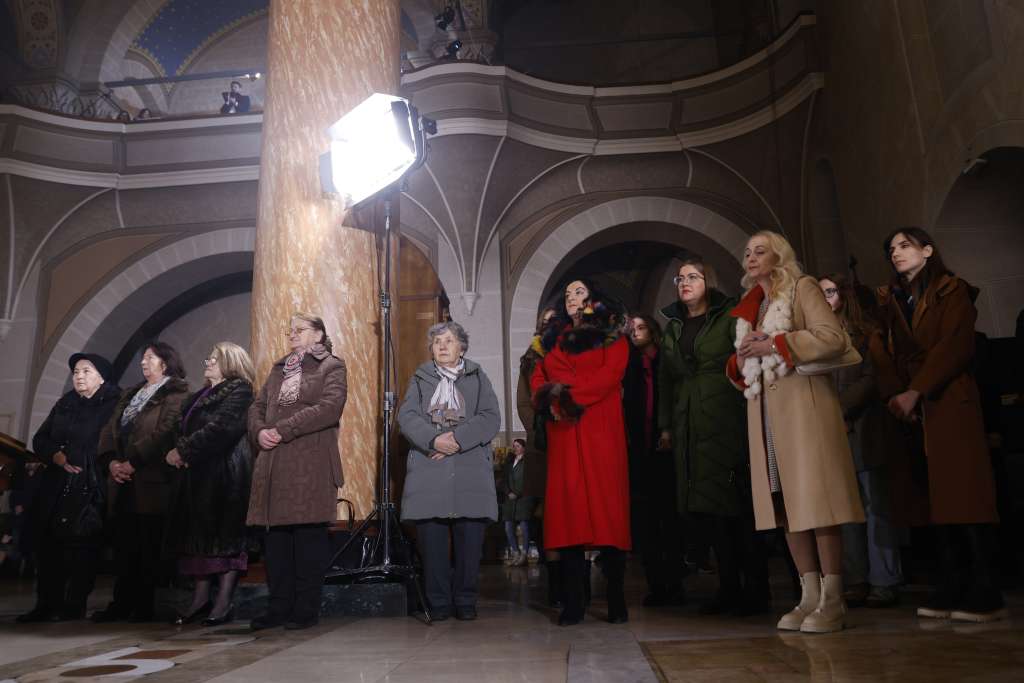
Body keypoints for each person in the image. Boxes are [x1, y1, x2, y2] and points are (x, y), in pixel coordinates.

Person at [726, 231, 864, 633]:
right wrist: (742, 357)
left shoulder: (802, 287)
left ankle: (833, 597)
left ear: (779, 256)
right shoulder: (752, 305)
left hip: (805, 410)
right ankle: (808, 595)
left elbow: (833, 338)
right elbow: (746, 361)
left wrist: (775, 344)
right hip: (767, 414)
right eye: (747, 252)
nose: (751, 257)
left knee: (818, 501)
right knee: (784, 503)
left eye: (760, 251)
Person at [872, 227, 1005, 622]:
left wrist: (917, 390)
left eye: (905, 245)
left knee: (965, 495)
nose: (896, 253)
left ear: (927, 250)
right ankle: (950, 582)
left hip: (949, 400)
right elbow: (881, 348)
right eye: (891, 248)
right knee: (930, 497)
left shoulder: (952, 290)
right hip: (910, 407)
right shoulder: (891, 300)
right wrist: (898, 394)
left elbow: (955, 345)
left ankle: (985, 587)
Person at [659, 256, 769, 616]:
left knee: (736, 507)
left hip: (725, 416)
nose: (685, 283)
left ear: (709, 282)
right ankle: (728, 587)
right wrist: (666, 426)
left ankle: (756, 589)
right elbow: (666, 379)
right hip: (689, 423)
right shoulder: (673, 327)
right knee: (708, 512)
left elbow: (745, 361)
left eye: (693, 276)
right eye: (680, 278)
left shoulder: (728, 318)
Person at [531, 279, 631, 625]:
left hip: (601, 430)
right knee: (568, 516)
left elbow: (610, 375)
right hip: (564, 432)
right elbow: (537, 378)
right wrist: (551, 398)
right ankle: (574, 602)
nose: (572, 297)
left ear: (593, 299)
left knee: (609, 513)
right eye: (568, 293)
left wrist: (569, 396)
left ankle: (616, 598)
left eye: (579, 291)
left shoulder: (611, 334)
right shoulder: (550, 339)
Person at [247, 313, 347, 631]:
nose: (292, 335)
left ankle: (305, 609)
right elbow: (257, 406)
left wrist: (283, 429)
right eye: (289, 330)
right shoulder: (280, 368)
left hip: (310, 465)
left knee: (307, 542)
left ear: (318, 334)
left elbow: (329, 407)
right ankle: (278, 607)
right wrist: (259, 431)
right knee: (276, 544)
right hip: (274, 465)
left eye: (299, 330)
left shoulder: (331, 366)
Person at [399, 321, 500, 621]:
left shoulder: (478, 376)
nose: (442, 346)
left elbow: (490, 417)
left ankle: (466, 601)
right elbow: (407, 417)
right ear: (431, 349)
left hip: (469, 468)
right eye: (437, 342)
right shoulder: (420, 378)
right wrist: (434, 440)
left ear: (462, 348)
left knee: (470, 543)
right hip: (430, 466)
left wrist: (456, 440)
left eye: (449, 340)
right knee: (432, 544)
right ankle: (439, 603)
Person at [818, 273, 903, 609]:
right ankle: (856, 579)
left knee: (875, 505)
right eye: (820, 293)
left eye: (829, 291)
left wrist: (839, 409)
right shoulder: (815, 337)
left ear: (844, 294)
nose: (824, 298)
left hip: (863, 427)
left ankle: (885, 580)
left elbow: (871, 377)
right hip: (829, 432)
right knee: (845, 509)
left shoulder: (866, 333)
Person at [17, 354, 121, 622]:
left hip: (89, 483)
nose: (79, 376)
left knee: (81, 547)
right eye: (76, 371)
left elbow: (111, 442)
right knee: (49, 546)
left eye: (86, 371)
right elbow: (41, 438)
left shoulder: (114, 403)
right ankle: (45, 604)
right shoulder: (65, 403)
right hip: (56, 483)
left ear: (102, 377)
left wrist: (80, 459)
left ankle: (74, 605)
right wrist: (56, 455)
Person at [93, 342, 191, 622]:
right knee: (125, 545)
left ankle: (145, 606)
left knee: (149, 546)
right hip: (123, 479)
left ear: (165, 362)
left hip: (153, 480)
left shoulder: (177, 393)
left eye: (150, 357)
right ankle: (122, 603)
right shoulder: (131, 394)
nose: (143, 362)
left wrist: (133, 461)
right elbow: (110, 430)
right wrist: (112, 462)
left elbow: (165, 432)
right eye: (143, 358)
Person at [164, 342, 255, 626]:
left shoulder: (240, 390)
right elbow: (180, 428)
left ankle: (223, 601)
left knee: (225, 540)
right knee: (199, 540)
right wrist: (180, 450)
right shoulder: (200, 395)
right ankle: (200, 598)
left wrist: (184, 451)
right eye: (208, 359)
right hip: (197, 474)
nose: (208, 363)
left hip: (225, 474)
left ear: (230, 363)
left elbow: (222, 428)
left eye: (214, 359)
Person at [623, 312, 683, 607]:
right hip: (640, 450)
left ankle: (675, 583)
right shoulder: (630, 365)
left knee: (670, 520)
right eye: (632, 328)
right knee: (646, 522)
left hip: (666, 449)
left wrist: (667, 429)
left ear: (653, 331)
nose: (635, 332)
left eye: (641, 327)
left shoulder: (664, 360)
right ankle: (656, 585)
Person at [517, 305, 558, 604]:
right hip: (540, 442)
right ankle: (552, 581)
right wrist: (540, 427)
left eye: (554, 321)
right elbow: (523, 402)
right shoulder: (530, 358)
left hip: (568, 436)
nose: (549, 325)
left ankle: (575, 580)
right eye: (545, 322)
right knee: (543, 513)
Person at [499, 438, 542, 566]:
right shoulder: (510, 462)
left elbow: (530, 479)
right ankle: (515, 552)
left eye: (518, 446)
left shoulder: (528, 462)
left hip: (524, 499)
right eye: (514, 446)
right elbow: (504, 479)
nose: (515, 448)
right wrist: (508, 492)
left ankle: (524, 553)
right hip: (510, 500)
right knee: (508, 527)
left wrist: (518, 493)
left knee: (524, 527)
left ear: (523, 447)